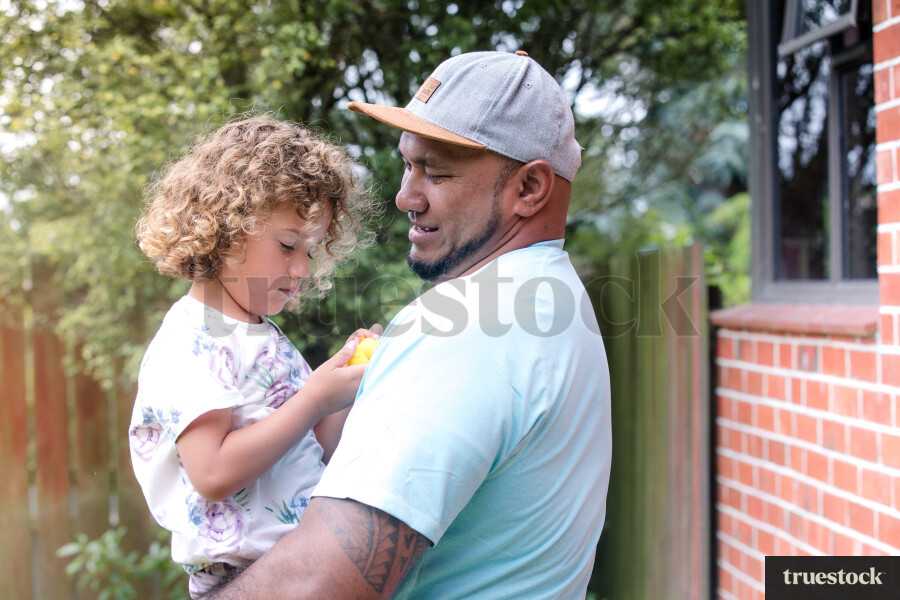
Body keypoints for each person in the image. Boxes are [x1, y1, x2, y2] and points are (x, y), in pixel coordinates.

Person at [204, 50, 612, 599]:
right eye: (408, 164)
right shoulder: (557, 299)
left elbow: (318, 585)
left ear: (530, 189)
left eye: (437, 173)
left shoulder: (465, 325)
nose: (405, 197)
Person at [129, 115, 380, 598]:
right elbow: (214, 473)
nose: (303, 268)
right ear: (223, 230)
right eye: (288, 245)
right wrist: (311, 400)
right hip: (243, 582)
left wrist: (346, 384)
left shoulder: (257, 334)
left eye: (310, 249)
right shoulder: (191, 342)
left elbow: (315, 446)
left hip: (300, 563)